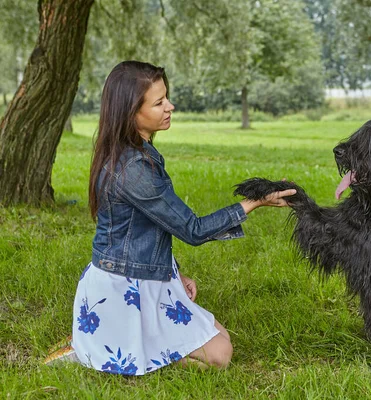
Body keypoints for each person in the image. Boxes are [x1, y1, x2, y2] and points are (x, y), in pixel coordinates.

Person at [68, 61, 295, 375]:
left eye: (166, 98)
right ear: (130, 112)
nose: (170, 106)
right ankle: (117, 349)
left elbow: (149, 229)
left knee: (220, 339)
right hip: (123, 290)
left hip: (144, 276)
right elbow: (193, 229)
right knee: (220, 355)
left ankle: (117, 345)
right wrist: (255, 202)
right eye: (159, 102)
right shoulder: (133, 169)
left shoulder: (136, 154)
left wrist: (173, 274)